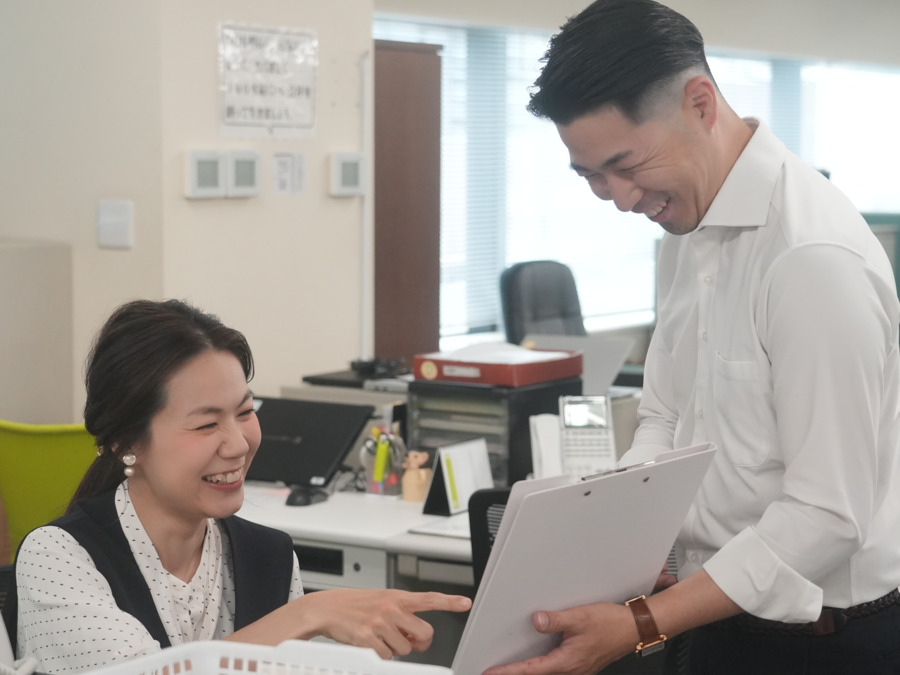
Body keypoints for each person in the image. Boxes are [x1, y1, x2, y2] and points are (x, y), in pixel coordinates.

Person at [485, 1, 900, 674]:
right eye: (590, 176)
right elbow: (665, 416)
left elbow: (827, 513)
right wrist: (625, 539)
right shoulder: (688, 226)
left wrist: (638, 625)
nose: (618, 198)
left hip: (825, 642)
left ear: (700, 103)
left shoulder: (812, 258)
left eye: (624, 164)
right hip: (713, 619)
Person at [1, 299, 471, 674]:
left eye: (245, 412)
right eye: (207, 424)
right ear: (127, 442)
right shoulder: (59, 557)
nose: (238, 443)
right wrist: (307, 614)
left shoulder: (267, 555)